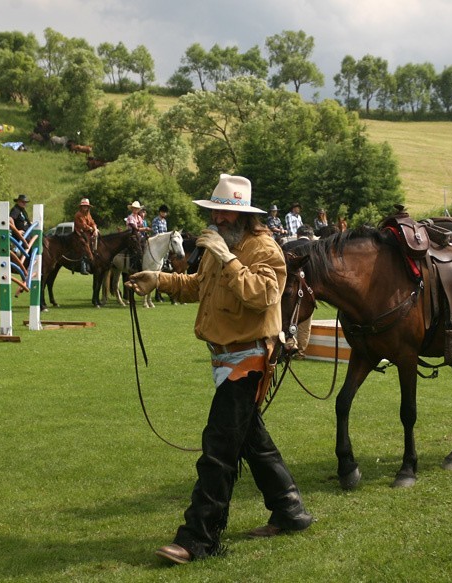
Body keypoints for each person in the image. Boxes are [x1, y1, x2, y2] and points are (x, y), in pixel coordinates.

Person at [126, 174, 313, 565]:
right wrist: (158, 279)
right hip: (224, 357)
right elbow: (200, 286)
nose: (218, 219)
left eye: (227, 214)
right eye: (215, 212)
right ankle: (290, 511)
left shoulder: (264, 249)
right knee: (252, 443)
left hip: (248, 360)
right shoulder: (219, 245)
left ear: (245, 216)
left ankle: (198, 538)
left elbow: (263, 296)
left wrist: (227, 258)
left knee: (218, 449)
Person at [282, 225, 315, 360]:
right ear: (311, 236)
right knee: (305, 323)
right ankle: (301, 352)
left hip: (289, 289)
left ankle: (288, 345)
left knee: (286, 318)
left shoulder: (288, 246)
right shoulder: (316, 247)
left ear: (297, 234)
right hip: (309, 289)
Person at [73, 198, 98, 276]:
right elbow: (83, 225)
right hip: (79, 233)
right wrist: (90, 228)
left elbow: (92, 222)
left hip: (86, 233)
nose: (85, 207)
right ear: (81, 207)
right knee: (84, 245)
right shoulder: (78, 214)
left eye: (86, 206)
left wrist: (95, 228)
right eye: (84, 206)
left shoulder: (88, 214)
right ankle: (83, 266)